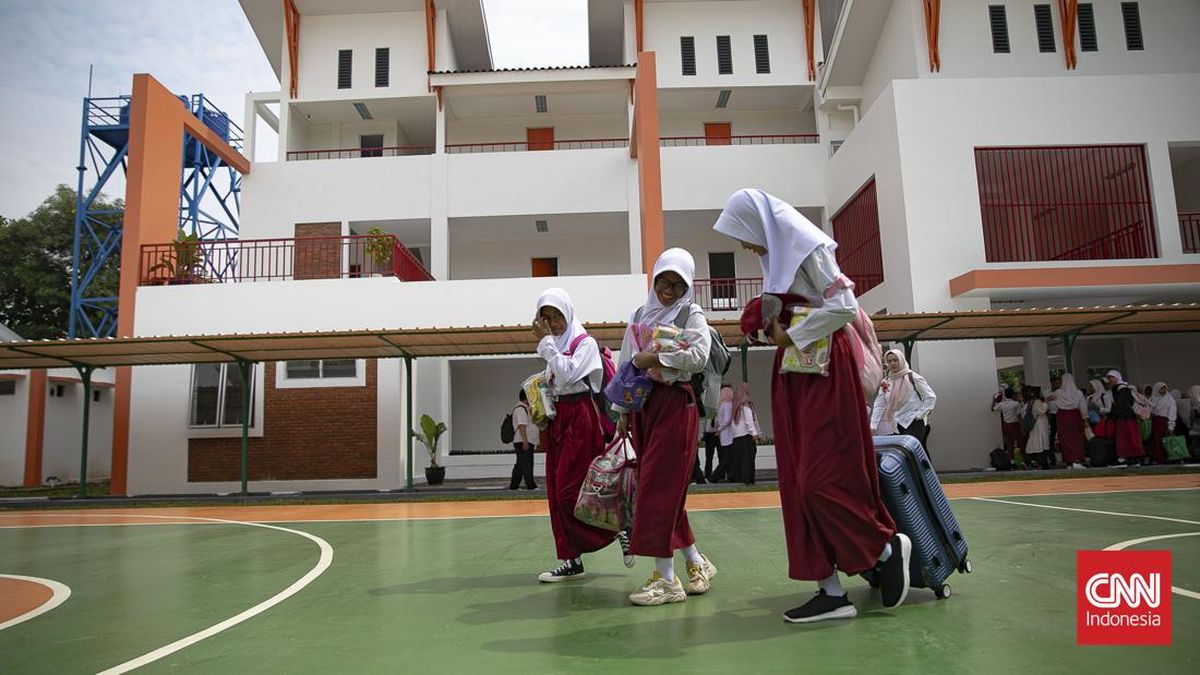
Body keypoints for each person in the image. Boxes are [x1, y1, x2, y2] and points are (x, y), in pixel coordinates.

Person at [714, 188, 911, 624]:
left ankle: (883, 547)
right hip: (796, 372)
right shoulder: (779, 260)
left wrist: (790, 335)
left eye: (744, 235)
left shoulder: (810, 247)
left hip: (825, 369)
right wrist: (769, 327)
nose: (745, 246)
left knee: (821, 478)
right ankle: (830, 590)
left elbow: (841, 307)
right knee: (798, 482)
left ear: (761, 224)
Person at [614, 248, 717, 606]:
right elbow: (627, 360)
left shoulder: (692, 313)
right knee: (664, 488)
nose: (669, 291)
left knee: (658, 488)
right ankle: (695, 561)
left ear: (687, 286)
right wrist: (622, 409)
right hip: (644, 406)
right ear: (654, 277)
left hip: (675, 403)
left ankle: (666, 579)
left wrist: (655, 357)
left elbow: (699, 357)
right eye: (664, 282)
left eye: (678, 284)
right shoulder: (640, 314)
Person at [532, 288, 631, 582]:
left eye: (556, 316)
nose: (552, 323)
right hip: (558, 420)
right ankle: (571, 559)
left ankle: (617, 529)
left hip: (581, 419)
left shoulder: (583, 343)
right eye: (545, 318)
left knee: (569, 493)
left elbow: (569, 375)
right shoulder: (554, 346)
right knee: (554, 492)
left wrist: (547, 344)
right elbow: (555, 382)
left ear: (568, 313)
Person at [870, 349, 936, 450]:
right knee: (914, 453)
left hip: (914, 422)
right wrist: (873, 425)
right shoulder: (886, 381)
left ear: (901, 360)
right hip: (897, 424)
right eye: (889, 361)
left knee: (909, 450)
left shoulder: (913, 377)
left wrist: (919, 415)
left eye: (895, 360)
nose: (892, 363)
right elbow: (879, 404)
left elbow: (930, 397)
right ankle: (926, 466)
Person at [1106, 370, 1145, 466]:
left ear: (1117, 378)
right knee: (1130, 438)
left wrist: (1113, 415)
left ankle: (1123, 459)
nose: (1110, 380)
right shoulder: (1123, 388)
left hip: (1124, 418)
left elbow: (1121, 404)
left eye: (1112, 377)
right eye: (1109, 378)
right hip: (1128, 418)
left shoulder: (1121, 389)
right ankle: (1133, 459)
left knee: (1124, 439)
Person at [1052, 374, 1087, 469]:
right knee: (1076, 438)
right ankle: (1077, 460)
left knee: (1065, 439)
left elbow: (1054, 404)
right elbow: (1083, 407)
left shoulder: (1058, 392)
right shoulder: (1078, 393)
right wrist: (1085, 418)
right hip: (1075, 416)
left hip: (1062, 416)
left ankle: (1068, 461)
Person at [730, 383, 762, 484]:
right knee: (748, 460)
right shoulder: (746, 404)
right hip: (746, 436)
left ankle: (739, 479)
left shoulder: (735, 404)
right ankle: (747, 480)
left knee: (739, 460)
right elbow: (750, 421)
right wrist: (756, 434)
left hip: (737, 437)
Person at [508, 390, 539, 490]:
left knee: (521, 464)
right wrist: (525, 441)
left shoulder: (525, 409)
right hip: (523, 441)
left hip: (526, 441)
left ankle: (514, 485)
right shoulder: (521, 409)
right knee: (527, 464)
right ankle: (531, 485)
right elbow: (522, 426)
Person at [992, 387, 1024, 463]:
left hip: (1006, 425)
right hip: (1015, 425)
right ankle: (1021, 460)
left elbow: (992, 409)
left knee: (1010, 444)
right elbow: (1019, 416)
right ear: (1013, 395)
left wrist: (994, 399)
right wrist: (1022, 427)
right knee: (1020, 443)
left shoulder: (1002, 404)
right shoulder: (1016, 404)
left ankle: (1011, 460)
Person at [1023, 387, 1052, 469]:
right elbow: (1041, 411)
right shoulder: (1037, 402)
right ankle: (1041, 462)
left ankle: (1034, 461)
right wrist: (1046, 402)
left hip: (1036, 425)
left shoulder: (1031, 402)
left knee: (1035, 443)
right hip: (1039, 424)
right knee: (1041, 443)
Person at [1149, 382, 1176, 465]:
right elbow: (1149, 409)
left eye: (1164, 388)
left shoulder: (1169, 399)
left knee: (1164, 440)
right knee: (1156, 441)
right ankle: (1157, 459)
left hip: (1164, 422)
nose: (1163, 390)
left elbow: (1172, 412)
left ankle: (1167, 458)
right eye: (1161, 388)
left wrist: (1171, 425)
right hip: (1155, 422)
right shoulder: (1153, 398)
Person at [714, 385, 736, 482]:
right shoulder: (731, 404)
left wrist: (719, 428)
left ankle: (714, 477)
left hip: (726, 435)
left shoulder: (725, 405)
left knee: (726, 458)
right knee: (729, 457)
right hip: (730, 434)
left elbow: (726, 420)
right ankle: (731, 476)